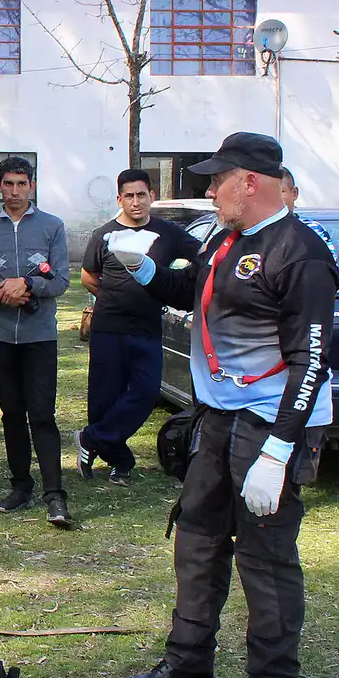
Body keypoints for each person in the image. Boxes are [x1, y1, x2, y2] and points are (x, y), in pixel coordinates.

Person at [112, 132, 336, 678]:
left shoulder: (301, 253)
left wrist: (280, 450)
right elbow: (196, 292)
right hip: (218, 417)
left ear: (251, 182)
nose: (209, 191)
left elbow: (311, 361)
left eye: (217, 181)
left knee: (265, 555)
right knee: (198, 537)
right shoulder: (227, 239)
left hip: (271, 422)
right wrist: (147, 276)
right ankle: (189, 660)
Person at [0, 157, 75, 529]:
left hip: (39, 335)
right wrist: (1, 292)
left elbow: (60, 281)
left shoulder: (52, 227)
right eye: (8, 184)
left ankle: (54, 493)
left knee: (42, 414)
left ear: (32, 186)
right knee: (11, 412)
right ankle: (20, 485)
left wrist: (27, 285)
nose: (14, 191)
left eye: (21, 184)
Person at [76, 170, 199, 485]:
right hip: (108, 328)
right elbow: (88, 276)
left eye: (141, 195)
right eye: (128, 196)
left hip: (147, 328)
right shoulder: (104, 235)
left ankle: (89, 440)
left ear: (152, 197)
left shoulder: (168, 234)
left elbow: (202, 254)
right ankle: (120, 461)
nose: (136, 202)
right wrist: (112, 297)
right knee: (103, 400)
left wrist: (181, 285)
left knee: (144, 394)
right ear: (119, 199)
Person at [279, 167, 339, 262]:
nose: (275, 198)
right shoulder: (257, 232)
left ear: (294, 193)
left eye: (281, 191)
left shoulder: (314, 231)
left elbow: (328, 269)